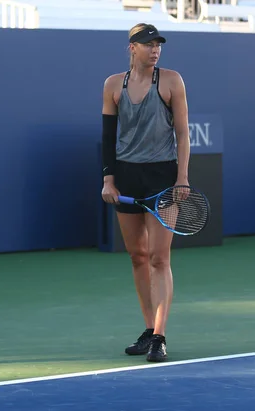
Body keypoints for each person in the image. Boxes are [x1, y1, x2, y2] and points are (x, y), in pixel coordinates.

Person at [100, 23, 190, 363]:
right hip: (126, 177)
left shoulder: (171, 81)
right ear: (131, 48)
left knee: (159, 258)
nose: (155, 50)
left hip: (163, 178)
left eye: (158, 45)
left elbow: (183, 134)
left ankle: (161, 336)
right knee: (137, 256)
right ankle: (148, 330)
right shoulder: (113, 85)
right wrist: (109, 179)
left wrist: (182, 178)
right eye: (147, 44)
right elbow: (109, 138)